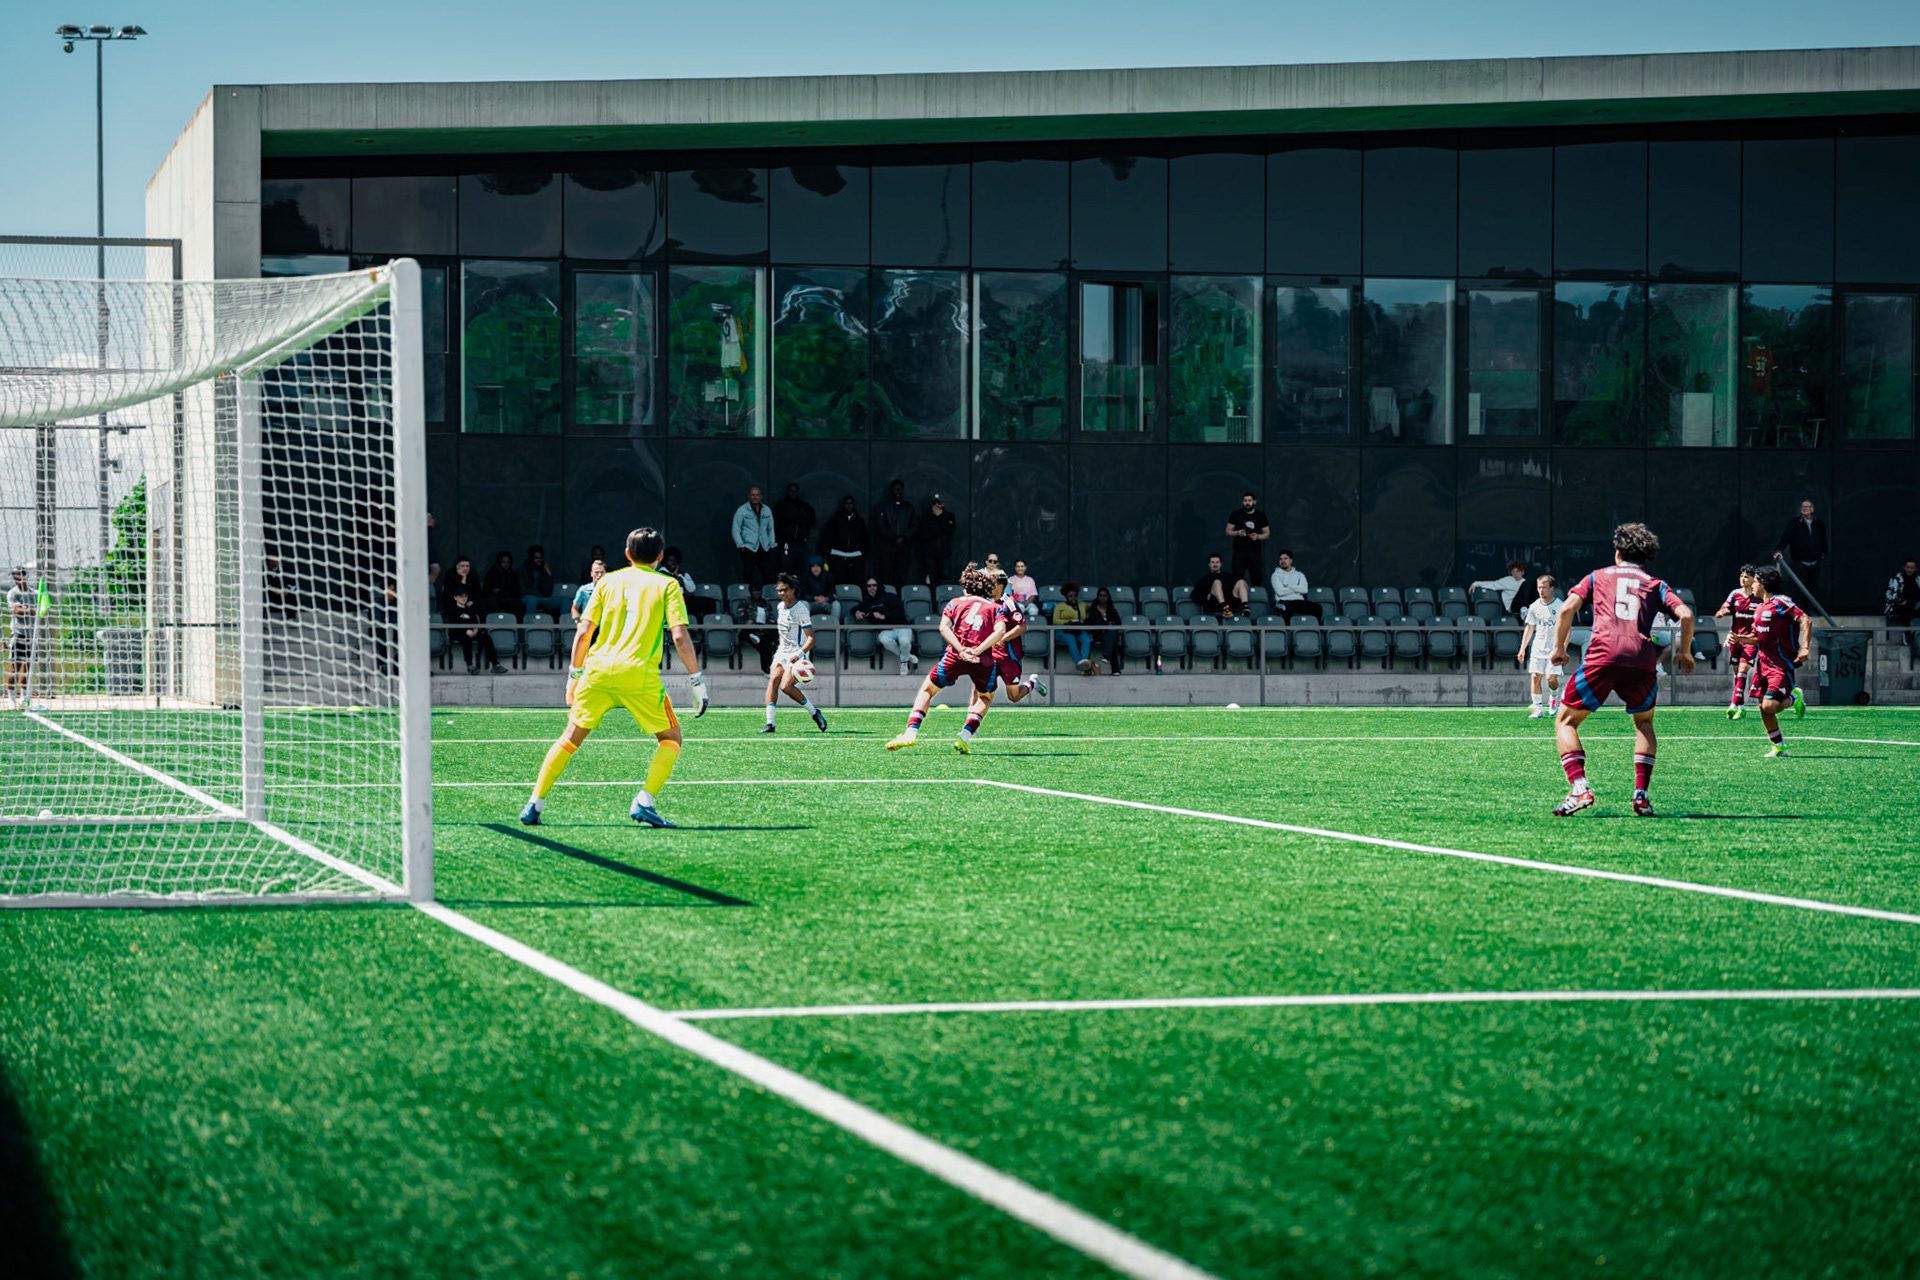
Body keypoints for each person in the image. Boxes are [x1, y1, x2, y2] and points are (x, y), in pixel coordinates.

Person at [519, 525, 710, 830]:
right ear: (660, 556)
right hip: (639, 676)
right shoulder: (667, 585)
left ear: (626, 554)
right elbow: (680, 635)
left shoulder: (606, 581)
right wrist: (696, 680)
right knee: (671, 739)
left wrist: (573, 675)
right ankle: (644, 802)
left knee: (570, 738)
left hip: (597, 672)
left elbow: (583, 631)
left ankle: (534, 804)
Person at [1548, 522, 1695, 818]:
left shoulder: (1597, 576)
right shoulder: (1655, 584)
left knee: (1565, 720)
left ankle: (1579, 788)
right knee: (1644, 723)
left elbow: (1566, 610)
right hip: (1642, 658)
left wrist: (1559, 649)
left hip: (1603, 655)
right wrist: (1686, 652)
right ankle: (1641, 795)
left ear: (1617, 553)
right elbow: (1686, 614)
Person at [887, 562, 1008, 753]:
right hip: (981, 660)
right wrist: (977, 651)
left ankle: (911, 732)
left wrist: (961, 650)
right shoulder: (995, 607)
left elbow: (943, 627)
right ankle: (965, 735)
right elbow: (1000, 631)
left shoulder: (954, 603)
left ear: (965, 587)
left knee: (927, 690)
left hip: (955, 657)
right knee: (985, 697)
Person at [1729, 564, 1811, 757]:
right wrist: (1740, 639)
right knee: (1762, 707)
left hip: (1780, 664)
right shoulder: (1760, 609)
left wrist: (1805, 647)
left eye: (1755, 581)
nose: (1752, 585)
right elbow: (1759, 637)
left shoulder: (1781, 602)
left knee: (1770, 706)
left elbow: (1805, 619)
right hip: (1762, 664)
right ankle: (1780, 746)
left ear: (1763, 584)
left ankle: (1794, 697)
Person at [758, 573, 829, 734]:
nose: (781, 593)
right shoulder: (780, 607)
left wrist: (798, 654)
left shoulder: (801, 610)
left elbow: (811, 639)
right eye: (779, 591)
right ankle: (770, 724)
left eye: (784, 590)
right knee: (773, 680)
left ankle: (814, 712)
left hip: (796, 653)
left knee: (786, 687)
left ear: (793, 590)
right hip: (782, 651)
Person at [986, 570, 1047, 705]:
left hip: (1009, 656)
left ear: (1000, 586)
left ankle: (1032, 683)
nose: (988, 586)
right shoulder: (987, 603)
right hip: (991, 656)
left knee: (1014, 696)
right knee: (980, 689)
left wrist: (1002, 639)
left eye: (991, 584)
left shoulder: (1009, 603)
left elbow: (1022, 627)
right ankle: (970, 724)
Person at [1515, 574, 1564, 719]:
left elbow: (1566, 629)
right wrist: (1522, 648)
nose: (1541, 590)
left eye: (1544, 587)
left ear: (1552, 589)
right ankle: (1538, 709)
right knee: (1536, 676)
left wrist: (1562, 647)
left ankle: (1554, 697)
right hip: (1538, 647)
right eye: (1539, 587)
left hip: (1554, 648)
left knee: (1551, 679)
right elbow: (1530, 628)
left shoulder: (1560, 606)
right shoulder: (1534, 606)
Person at [1716, 565, 1761, 718]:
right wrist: (1722, 612)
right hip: (1735, 638)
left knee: (1742, 672)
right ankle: (1742, 706)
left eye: (1747, 576)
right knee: (1737, 674)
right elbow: (1722, 609)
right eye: (1741, 576)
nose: (1743, 579)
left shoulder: (1759, 596)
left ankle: (1733, 704)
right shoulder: (1735, 594)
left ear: (1753, 579)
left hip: (1751, 640)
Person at [850, 577, 915, 675]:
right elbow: (853, 609)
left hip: (901, 626)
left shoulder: (890, 596)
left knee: (904, 642)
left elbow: (899, 612)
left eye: (874, 585)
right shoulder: (867, 603)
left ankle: (903, 663)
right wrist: (857, 612)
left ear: (879, 586)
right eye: (869, 586)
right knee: (884, 639)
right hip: (886, 630)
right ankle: (906, 657)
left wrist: (883, 616)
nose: (872, 588)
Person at [445, 588, 507, 675]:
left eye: (465, 596)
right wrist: (465, 631)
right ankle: (470, 665)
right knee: (466, 639)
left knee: (486, 637)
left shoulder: (469, 609)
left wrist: (475, 630)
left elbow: (475, 622)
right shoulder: (452, 610)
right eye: (461, 596)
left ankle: (495, 664)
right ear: (455, 597)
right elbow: (452, 625)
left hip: (472, 632)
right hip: (457, 633)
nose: (464, 598)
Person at [1774, 498, 1828, 596]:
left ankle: (1810, 610)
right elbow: (1785, 538)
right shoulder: (1794, 523)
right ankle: (1799, 610)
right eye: (1803, 506)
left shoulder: (1819, 523)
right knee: (1799, 589)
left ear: (1812, 509)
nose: (1805, 508)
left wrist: (1823, 553)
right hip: (1800, 562)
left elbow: (1823, 539)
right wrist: (1779, 550)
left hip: (1816, 562)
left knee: (1812, 588)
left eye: (1808, 506)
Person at [872, 479, 919, 588]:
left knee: (902, 574)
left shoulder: (908, 507)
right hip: (888, 546)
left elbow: (914, 525)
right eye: (895, 489)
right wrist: (893, 538)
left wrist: (904, 537)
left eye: (900, 489)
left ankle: (900, 597)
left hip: (904, 546)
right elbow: (880, 525)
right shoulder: (884, 507)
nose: (898, 492)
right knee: (886, 573)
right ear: (891, 490)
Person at [731, 486, 777, 593]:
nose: (755, 497)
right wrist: (740, 544)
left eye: (757, 495)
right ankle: (747, 598)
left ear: (761, 496)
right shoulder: (742, 510)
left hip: (764, 547)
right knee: (748, 575)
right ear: (749, 496)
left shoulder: (766, 510)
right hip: (749, 547)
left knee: (768, 575)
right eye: (752, 495)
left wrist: (772, 544)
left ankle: (768, 598)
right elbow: (735, 528)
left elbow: (771, 528)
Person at [817, 494, 869, 581]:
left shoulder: (859, 521)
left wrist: (862, 552)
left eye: (851, 504)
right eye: (847, 504)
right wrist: (826, 555)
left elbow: (865, 538)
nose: (849, 506)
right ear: (843, 505)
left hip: (855, 556)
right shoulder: (835, 520)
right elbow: (827, 538)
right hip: (838, 556)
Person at [1224, 491, 1270, 588]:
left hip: (1255, 553)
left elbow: (1267, 533)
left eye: (1249, 500)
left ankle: (1257, 600)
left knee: (1257, 578)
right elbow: (1228, 531)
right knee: (1237, 579)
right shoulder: (1236, 514)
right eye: (1245, 501)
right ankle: (1238, 601)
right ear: (1242, 502)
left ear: (1254, 502)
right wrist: (1237, 533)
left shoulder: (1260, 515)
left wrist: (1258, 536)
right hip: (1239, 553)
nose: (1247, 503)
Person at [660, 547, 721, 619]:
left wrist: (679, 576)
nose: (672, 563)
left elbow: (692, 589)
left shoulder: (683, 575)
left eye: (674, 561)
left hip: (685, 600)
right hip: (670, 601)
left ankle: (709, 625)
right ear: (664, 562)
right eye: (670, 560)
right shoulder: (660, 574)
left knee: (709, 603)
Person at [772, 482, 816, 578]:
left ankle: (800, 592)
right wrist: (797, 517)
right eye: (791, 491)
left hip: (801, 544)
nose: (793, 494)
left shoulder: (803, 506)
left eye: (796, 491)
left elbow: (811, 519)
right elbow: (783, 519)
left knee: (802, 571)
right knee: (786, 570)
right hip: (786, 544)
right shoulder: (781, 505)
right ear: (787, 492)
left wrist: (800, 519)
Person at [1267, 550, 1323, 622]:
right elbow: (1280, 592)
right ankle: (1288, 631)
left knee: (1317, 607)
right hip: (1281, 602)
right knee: (1287, 608)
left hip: (1299, 601)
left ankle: (1314, 629)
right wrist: (1297, 588)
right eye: (1281, 559)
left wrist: (1289, 586)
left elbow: (1305, 590)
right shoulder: (1275, 575)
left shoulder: (1299, 574)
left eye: (1285, 558)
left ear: (1291, 560)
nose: (1283, 561)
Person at [7, 566, 35, 707]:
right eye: (14, 576)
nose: (16, 578)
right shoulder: (13, 593)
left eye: (18, 575)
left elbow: (41, 611)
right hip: (19, 634)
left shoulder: (34, 593)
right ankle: (11, 699)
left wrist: (27, 609)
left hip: (33, 635)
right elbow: (18, 612)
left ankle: (24, 699)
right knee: (15, 667)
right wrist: (29, 610)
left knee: (28, 668)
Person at [519, 545, 570, 620]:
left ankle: (566, 628)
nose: (539, 560)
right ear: (530, 558)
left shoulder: (543, 569)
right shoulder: (523, 569)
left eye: (540, 558)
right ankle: (530, 627)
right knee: (532, 600)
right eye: (536, 558)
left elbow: (547, 592)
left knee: (564, 600)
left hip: (541, 598)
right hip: (527, 598)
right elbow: (521, 590)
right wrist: (536, 594)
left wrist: (548, 576)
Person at [917, 495, 958, 585]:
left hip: (944, 553)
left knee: (945, 577)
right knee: (931, 578)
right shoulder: (926, 518)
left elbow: (950, 530)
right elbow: (923, 534)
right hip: (930, 554)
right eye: (934, 503)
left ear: (943, 504)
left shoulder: (949, 516)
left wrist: (940, 517)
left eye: (938, 503)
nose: (936, 506)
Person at [1053, 582, 1093, 673]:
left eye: (1075, 596)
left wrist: (1085, 620)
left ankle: (1084, 661)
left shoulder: (1082, 605)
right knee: (1071, 639)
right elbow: (1055, 620)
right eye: (1070, 596)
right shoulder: (1060, 606)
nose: (1073, 598)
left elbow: (1091, 611)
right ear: (1066, 597)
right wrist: (1067, 623)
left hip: (1077, 629)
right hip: (1064, 630)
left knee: (1086, 639)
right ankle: (1079, 663)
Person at [1085, 586, 1126, 675]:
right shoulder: (1093, 609)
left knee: (1112, 636)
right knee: (1112, 637)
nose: (1102, 597)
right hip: (1098, 634)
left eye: (1105, 595)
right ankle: (1115, 669)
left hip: (1109, 634)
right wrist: (1109, 625)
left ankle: (1107, 656)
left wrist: (1116, 628)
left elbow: (1118, 623)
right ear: (1098, 597)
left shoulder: (1112, 610)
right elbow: (1095, 623)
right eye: (1100, 595)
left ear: (1108, 597)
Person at [1886, 555, 1920, 660]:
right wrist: (1900, 601)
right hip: (1900, 606)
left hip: (1915, 605)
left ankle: (1915, 634)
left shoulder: (1918, 580)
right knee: (1907, 610)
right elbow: (1891, 595)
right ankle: (1908, 633)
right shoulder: (1897, 579)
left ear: (1915, 568)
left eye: (1912, 568)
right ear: (1904, 567)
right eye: (1908, 567)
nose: (1910, 570)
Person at [481, 551, 521, 619]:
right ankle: (493, 625)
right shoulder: (491, 573)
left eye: (508, 563)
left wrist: (500, 592)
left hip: (508, 598)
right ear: (499, 562)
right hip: (494, 599)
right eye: (504, 562)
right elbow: (487, 591)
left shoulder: (513, 574)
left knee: (517, 604)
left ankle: (515, 627)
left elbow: (516, 591)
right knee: (490, 603)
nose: (506, 565)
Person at [571, 559, 606, 625]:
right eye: (596, 572)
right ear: (591, 574)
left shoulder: (611, 589)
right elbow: (574, 608)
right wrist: (577, 621)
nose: (599, 575)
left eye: (602, 572)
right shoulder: (583, 589)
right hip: (589, 625)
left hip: (606, 626)